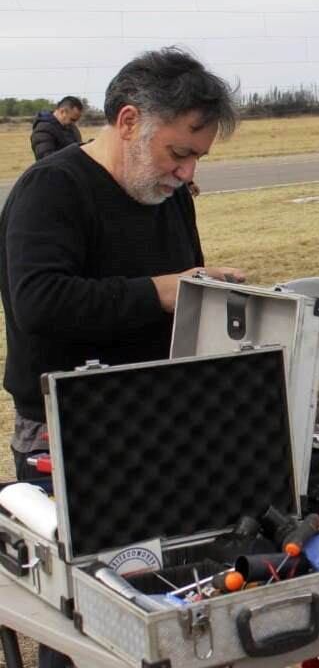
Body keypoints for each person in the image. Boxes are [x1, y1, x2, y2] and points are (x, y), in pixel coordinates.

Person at [0, 48, 244, 667]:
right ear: (129, 122)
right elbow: (40, 303)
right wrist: (163, 290)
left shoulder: (169, 196)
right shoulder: (50, 190)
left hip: (159, 416)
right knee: (81, 611)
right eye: (179, 153)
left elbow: (178, 293)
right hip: (67, 428)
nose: (187, 173)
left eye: (197, 159)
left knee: (159, 593)